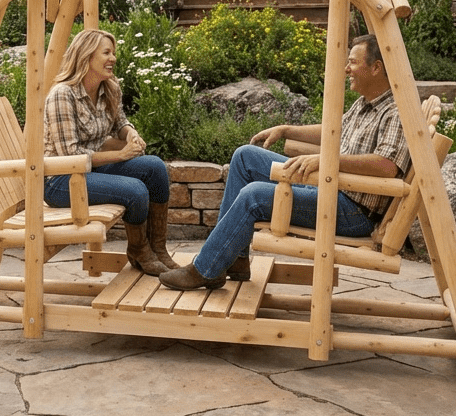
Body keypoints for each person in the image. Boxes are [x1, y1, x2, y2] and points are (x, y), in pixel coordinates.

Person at [159, 33, 411, 291]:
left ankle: (207, 269)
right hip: (331, 190)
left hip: (352, 211)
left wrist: (328, 161)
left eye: (353, 63)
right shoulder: (365, 104)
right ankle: (236, 259)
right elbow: (333, 130)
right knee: (246, 156)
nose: (347, 69)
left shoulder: (396, 111)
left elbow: (386, 166)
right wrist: (287, 129)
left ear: (376, 68)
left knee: (255, 195)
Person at [43, 28, 175, 276]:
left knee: (154, 167)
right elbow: (69, 156)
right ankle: (140, 251)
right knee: (135, 190)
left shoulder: (109, 88)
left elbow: (120, 123)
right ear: (86, 56)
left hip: (91, 169)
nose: (113, 58)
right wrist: (121, 155)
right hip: (60, 181)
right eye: (106, 52)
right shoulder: (62, 95)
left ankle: (158, 249)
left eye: (113, 52)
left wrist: (131, 134)